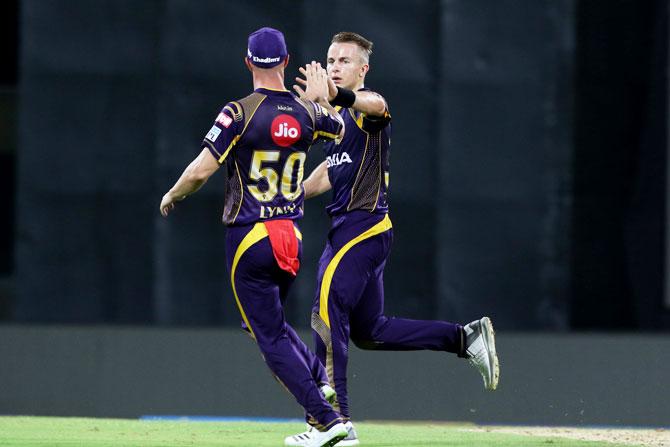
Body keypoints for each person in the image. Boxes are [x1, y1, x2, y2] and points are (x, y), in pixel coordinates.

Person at [289, 32, 500, 446]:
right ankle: (464, 338)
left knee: (325, 313)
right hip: (360, 231)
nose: (335, 66)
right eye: (331, 59)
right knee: (370, 331)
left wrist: (336, 96)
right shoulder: (339, 121)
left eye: (345, 61)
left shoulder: (365, 107)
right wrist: (290, 196)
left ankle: (333, 424)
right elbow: (331, 170)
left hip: (361, 229)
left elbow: (379, 106)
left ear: (362, 69)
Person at [159, 27, 350, 447]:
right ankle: (319, 381)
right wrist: (322, 99)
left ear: (248, 62)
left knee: (269, 336)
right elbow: (342, 132)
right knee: (267, 324)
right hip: (291, 237)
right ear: (285, 62)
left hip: (250, 238)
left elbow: (199, 172)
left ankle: (329, 421)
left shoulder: (239, 112)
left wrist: (173, 194)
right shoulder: (308, 113)